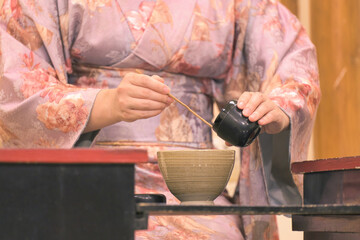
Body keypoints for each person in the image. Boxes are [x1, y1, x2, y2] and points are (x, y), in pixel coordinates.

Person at [0, 0, 321, 239]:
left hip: (196, 186)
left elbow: (291, 56)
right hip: (90, 174)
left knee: (219, 233)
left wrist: (277, 107)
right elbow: (13, 80)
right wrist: (104, 104)